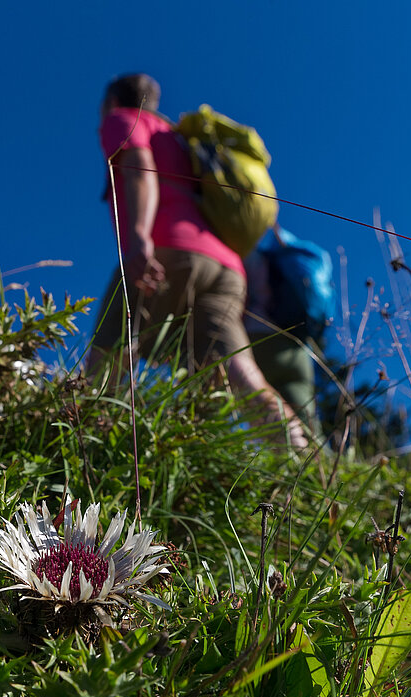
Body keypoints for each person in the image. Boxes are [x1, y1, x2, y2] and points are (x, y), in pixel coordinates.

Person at [85, 73, 307, 448]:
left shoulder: (124, 118)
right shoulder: (182, 140)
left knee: (107, 362)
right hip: (225, 267)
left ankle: (89, 457)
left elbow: (140, 167)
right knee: (245, 375)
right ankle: (306, 467)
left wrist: (139, 236)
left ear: (110, 101)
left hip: (169, 250)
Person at [243, 227, 327, 441]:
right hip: (298, 349)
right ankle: (324, 469)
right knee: (308, 425)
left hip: (258, 342)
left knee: (270, 422)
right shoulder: (295, 260)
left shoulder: (251, 258)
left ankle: (288, 462)